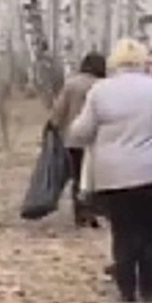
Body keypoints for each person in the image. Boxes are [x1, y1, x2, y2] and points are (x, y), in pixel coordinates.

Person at [68, 38, 152, 303]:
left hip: (113, 174)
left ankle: (127, 288)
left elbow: (80, 132)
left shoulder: (100, 91)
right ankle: (148, 286)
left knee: (123, 230)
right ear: (141, 61)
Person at [47, 52, 107, 228]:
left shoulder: (71, 84)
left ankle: (80, 213)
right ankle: (94, 211)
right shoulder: (103, 85)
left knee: (77, 176)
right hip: (98, 140)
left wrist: (54, 125)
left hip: (73, 139)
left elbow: (59, 109)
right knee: (95, 178)